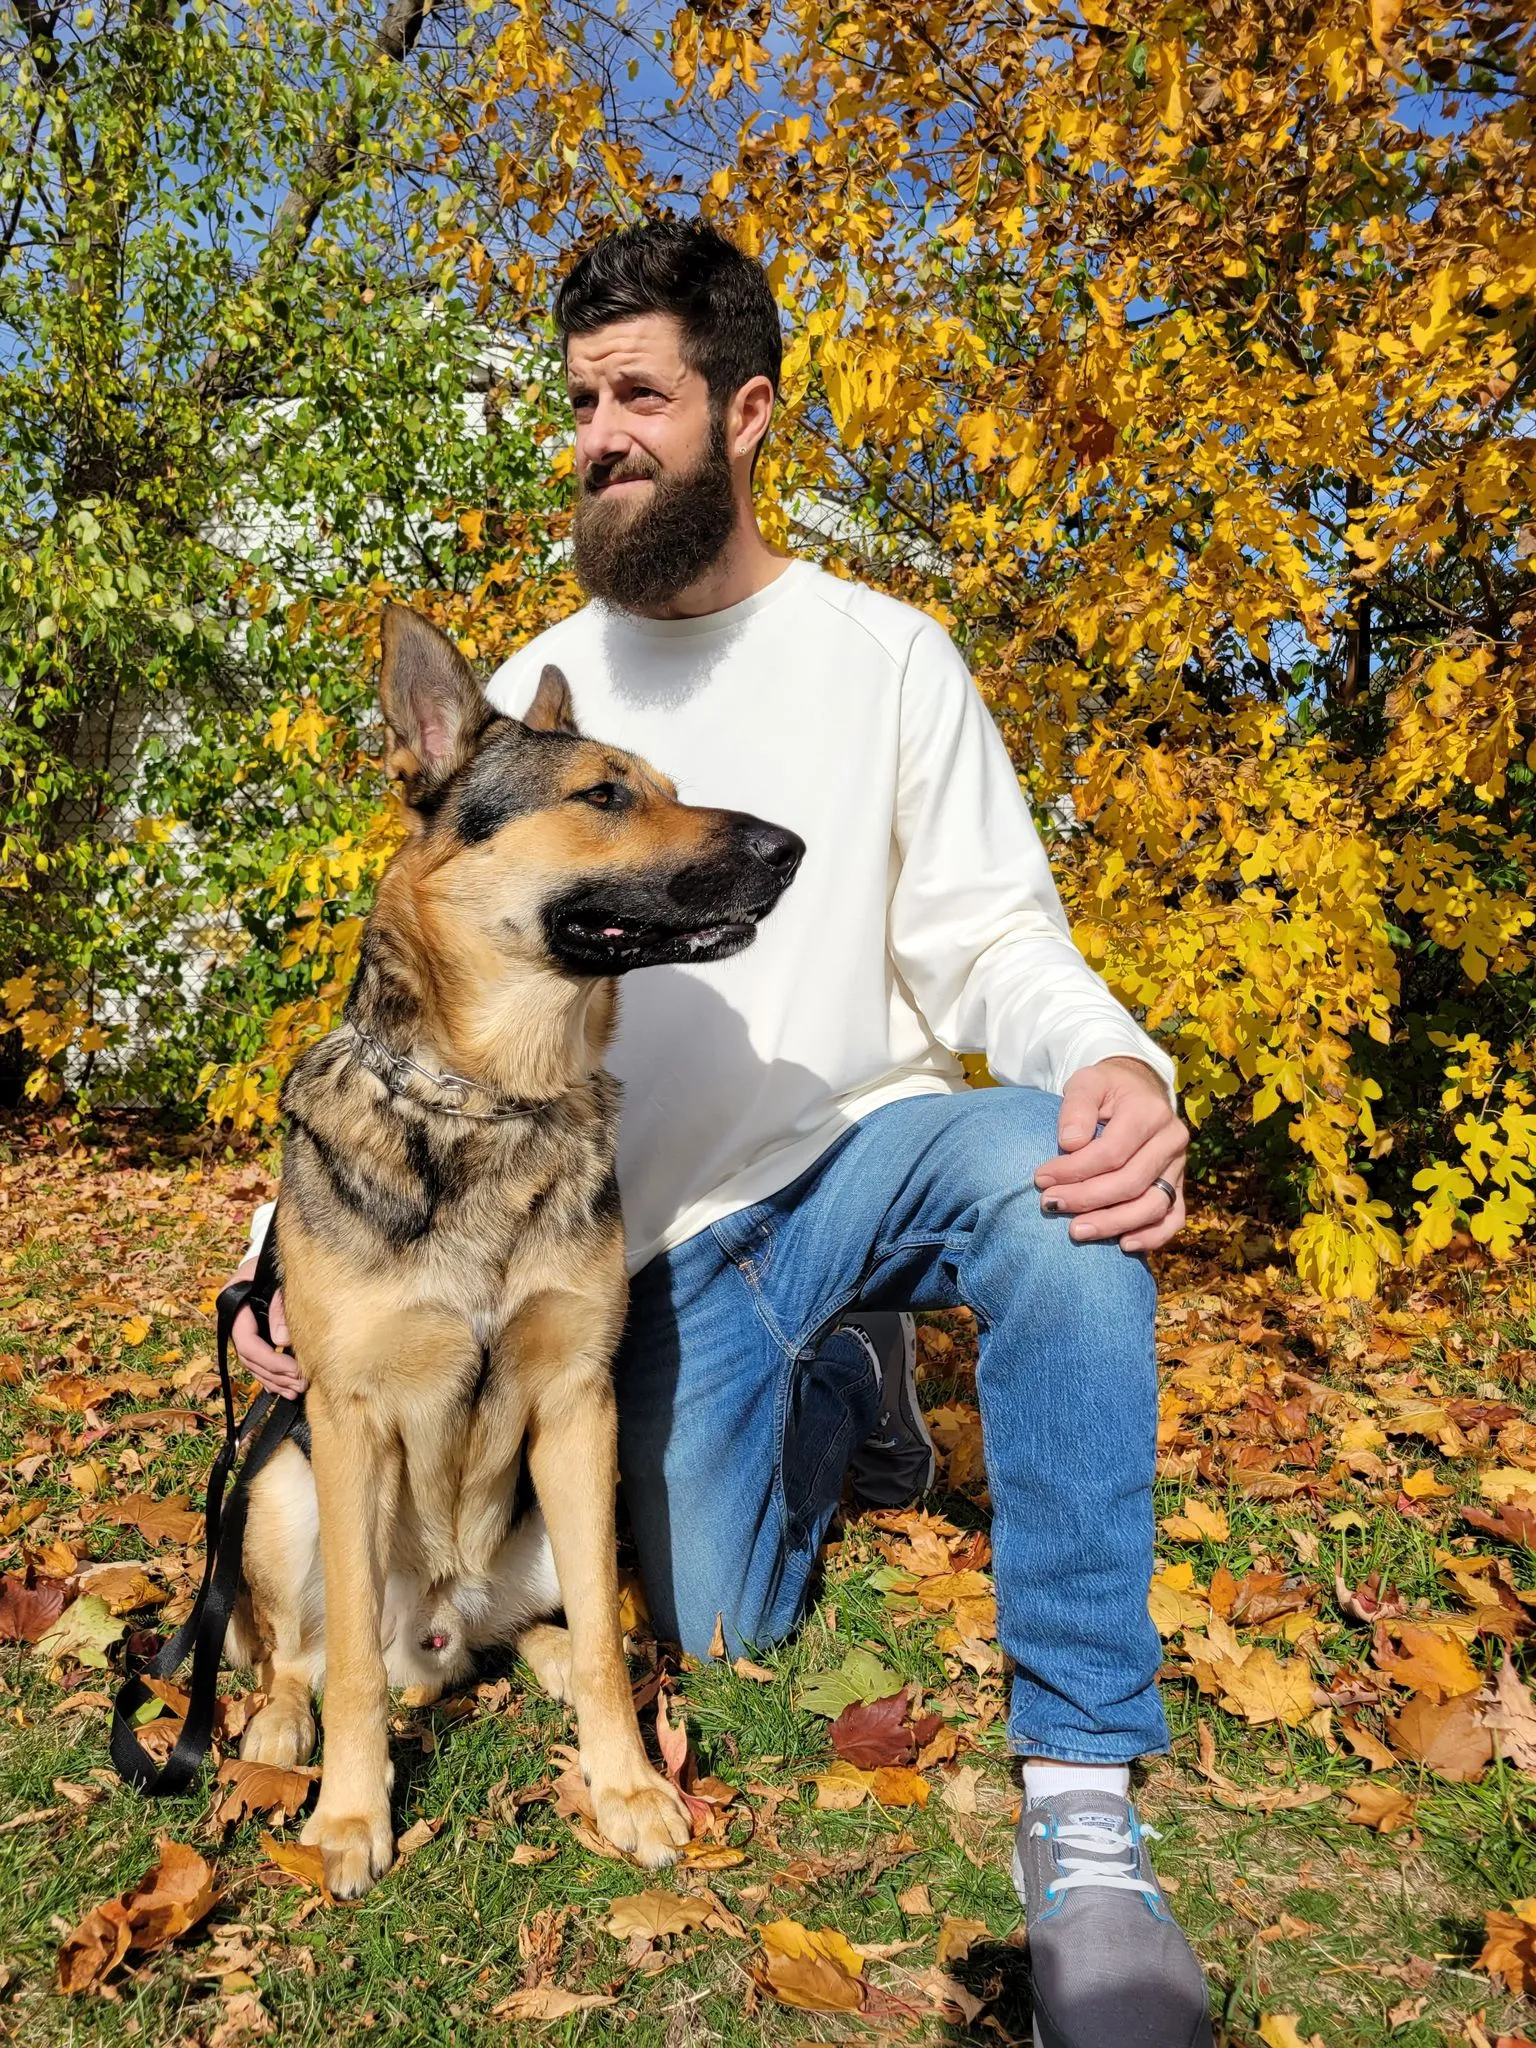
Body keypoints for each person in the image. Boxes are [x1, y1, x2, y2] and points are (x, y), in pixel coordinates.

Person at [233, 218, 1210, 2048]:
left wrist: (1117, 1065)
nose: (602, 434)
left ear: (744, 412)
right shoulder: (534, 686)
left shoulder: (884, 655)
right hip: (646, 1248)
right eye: (583, 399)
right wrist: (258, 1270)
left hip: (860, 1158)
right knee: (731, 1623)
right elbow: (405, 1006)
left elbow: (997, 934)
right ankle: (854, 1398)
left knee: (1065, 1187)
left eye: (643, 396)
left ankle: (1084, 1797)